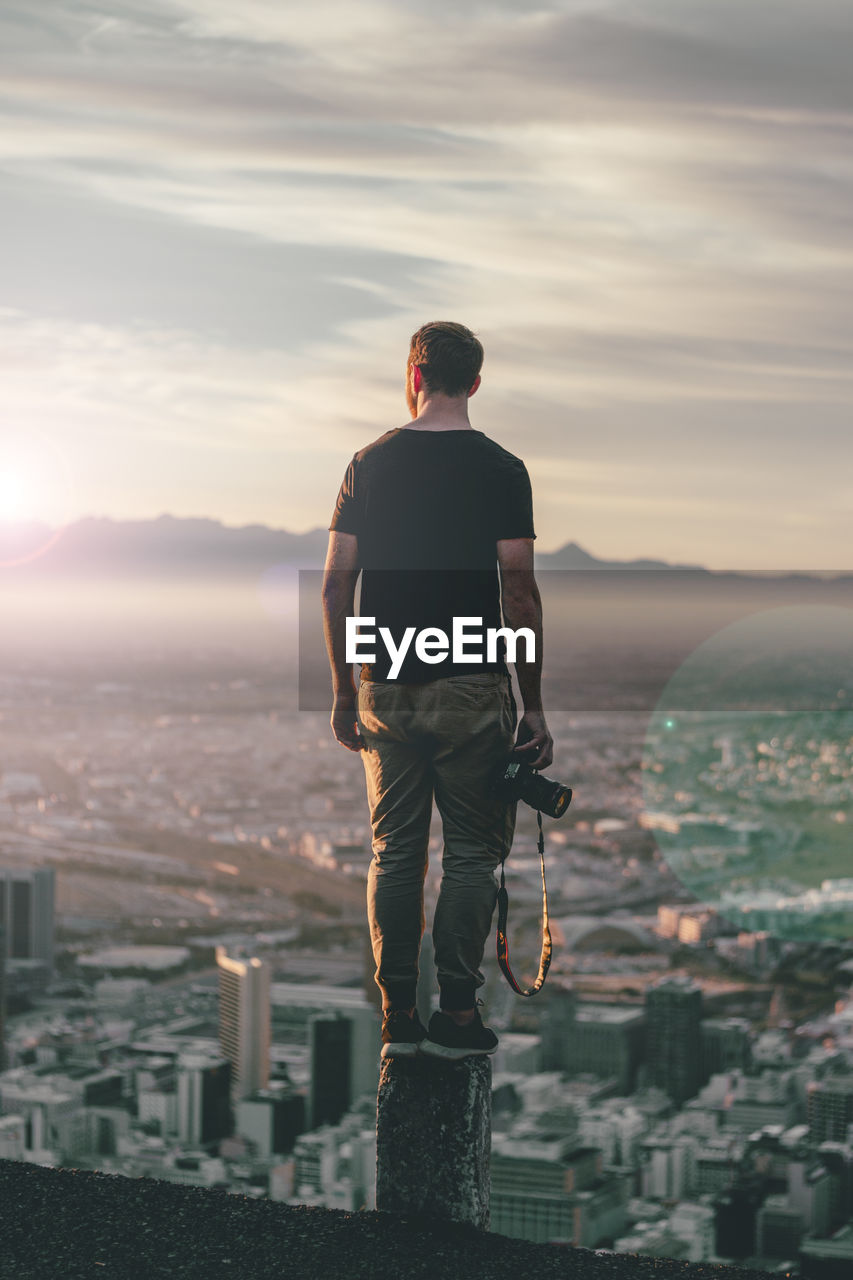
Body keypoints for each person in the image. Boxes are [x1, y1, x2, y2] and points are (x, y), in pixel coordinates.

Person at [321, 321, 552, 1061]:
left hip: (382, 680)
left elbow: (333, 587)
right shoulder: (501, 467)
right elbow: (518, 591)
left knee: (394, 854)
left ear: (412, 376)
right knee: (471, 856)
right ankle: (456, 1011)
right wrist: (534, 701)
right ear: (475, 382)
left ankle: (397, 1015)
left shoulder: (367, 463)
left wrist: (338, 687)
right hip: (471, 684)